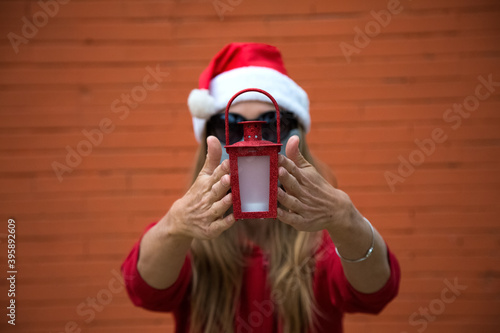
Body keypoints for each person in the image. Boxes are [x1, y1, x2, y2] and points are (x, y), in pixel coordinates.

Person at [121, 43, 400, 333]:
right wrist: (175, 227)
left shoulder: (322, 243)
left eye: (270, 123)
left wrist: (346, 219)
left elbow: (376, 292)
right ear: (209, 139)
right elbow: (143, 289)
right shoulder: (188, 240)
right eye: (229, 124)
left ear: (295, 135)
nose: (251, 143)